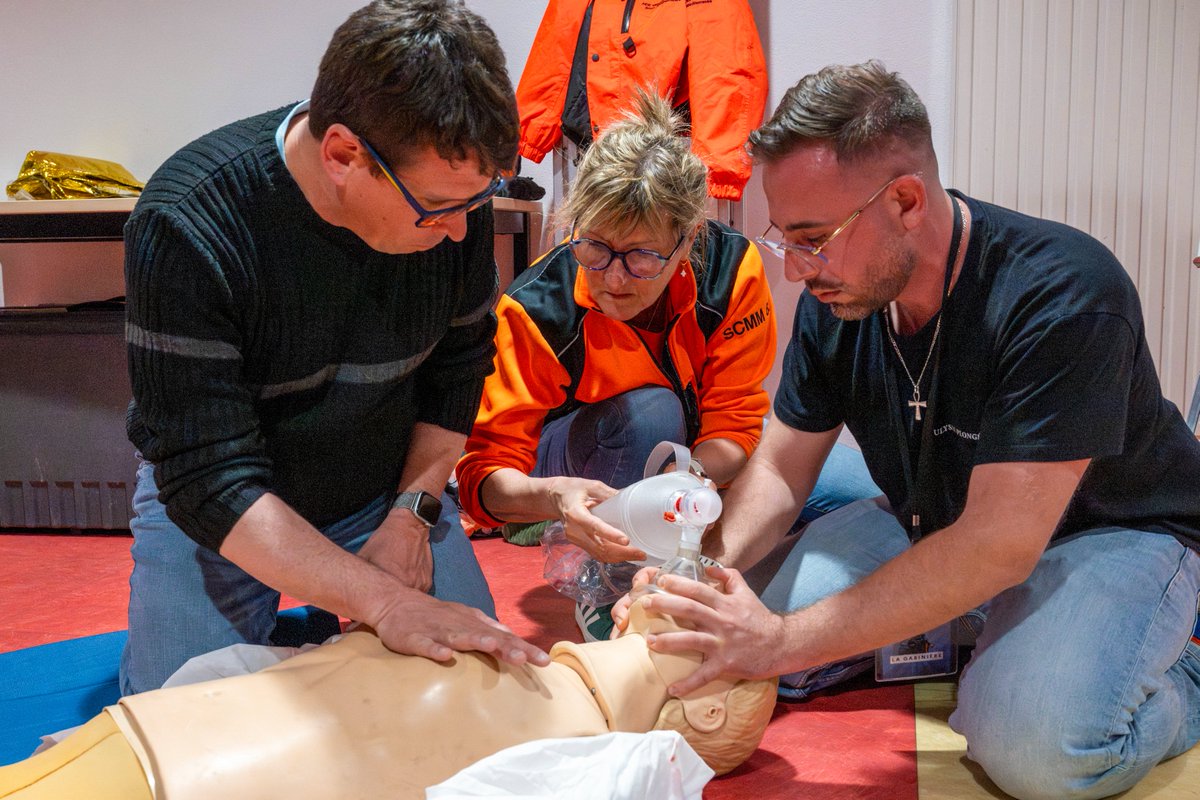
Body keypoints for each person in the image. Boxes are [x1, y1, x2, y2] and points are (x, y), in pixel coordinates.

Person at [616, 61, 1200, 800]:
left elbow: (998, 545)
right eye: (783, 239)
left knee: (1039, 752)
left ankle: (1175, 670)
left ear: (905, 201)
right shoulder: (845, 296)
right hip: (939, 522)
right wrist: (696, 571)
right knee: (730, 632)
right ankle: (984, 630)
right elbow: (782, 472)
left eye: (814, 238)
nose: (796, 270)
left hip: (1105, 535)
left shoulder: (1065, 293)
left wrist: (781, 641)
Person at [119, 0, 549, 696]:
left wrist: (412, 515)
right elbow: (206, 477)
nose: (463, 235)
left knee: (474, 695)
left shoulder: (451, 211)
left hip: (382, 487)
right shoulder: (189, 222)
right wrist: (381, 600)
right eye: (440, 209)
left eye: (479, 203)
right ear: (344, 155)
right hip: (224, 506)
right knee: (184, 726)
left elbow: (457, 375)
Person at [453, 91, 880, 642]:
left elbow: (735, 423)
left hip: (696, 460)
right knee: (649, 414)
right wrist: (556, 497)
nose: (613, 277)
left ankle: (722, 554)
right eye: (595, 247)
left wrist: (692, 480)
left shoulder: (731, 272)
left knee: (877, 492)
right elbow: (482, 483)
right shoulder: (536, 309)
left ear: (687, 242)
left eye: (643, 256)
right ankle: (612, 583)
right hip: (572, 465)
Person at [0, 598, 777, 800]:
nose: (661, 587)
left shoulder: (593, 763)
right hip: (150, 739)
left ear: (707, 707)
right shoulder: (523, 663)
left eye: (706, 618)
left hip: (174, 767)